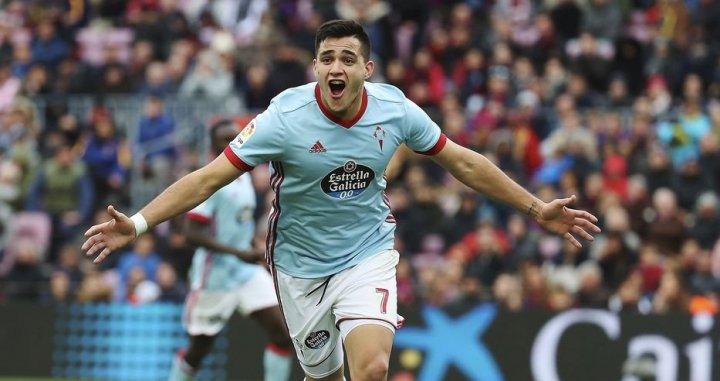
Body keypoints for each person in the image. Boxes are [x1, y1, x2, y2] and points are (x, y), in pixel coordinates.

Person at [82, 20, 600, 381]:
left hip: (366, 254)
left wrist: (536, 209)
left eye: (347, 58)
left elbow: (462, 161)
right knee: (324, 377)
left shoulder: (396, 110)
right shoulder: (283, 117)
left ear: (366, 69)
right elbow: (210, 177)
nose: (336, 66)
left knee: (372, 368)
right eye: (327, 57)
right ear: (315, 66)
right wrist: (141, 222)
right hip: (298, 265)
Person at [168, 119, 293, 381]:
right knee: (199, 350)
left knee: (283, 335)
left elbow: (239, 227)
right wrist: (239, 253)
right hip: (214, 278)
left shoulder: (244, 177)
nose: (230, 143)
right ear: (212, 145)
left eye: (233, 138)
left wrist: (255, 251)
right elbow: (191, 233)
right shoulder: (209, 180)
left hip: (245, 273)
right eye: (223, 139)